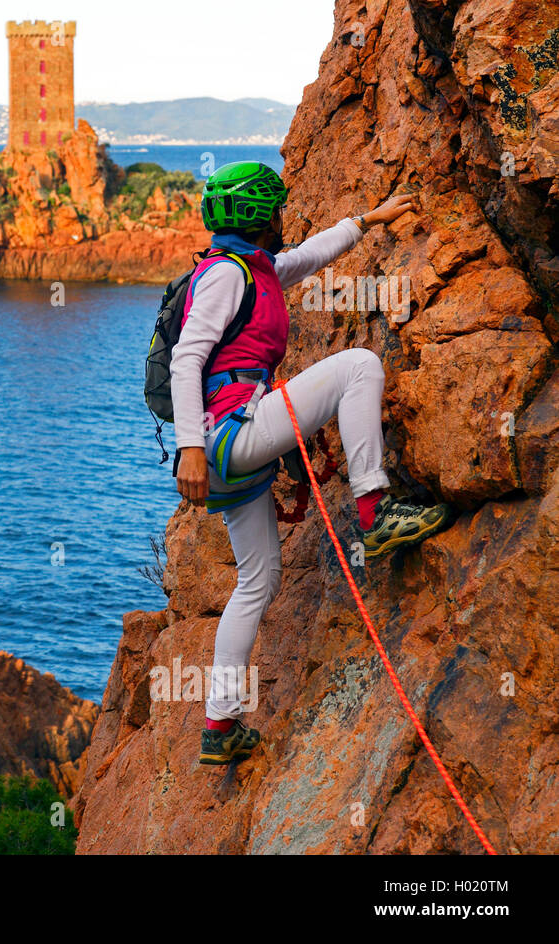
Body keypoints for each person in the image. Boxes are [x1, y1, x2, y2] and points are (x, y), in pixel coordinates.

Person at [171, 161, 451, 766]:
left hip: (227, 449)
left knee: (257, 582)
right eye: (273, 209)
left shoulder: (254, 269)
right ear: (255, 216)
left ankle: (219, 724)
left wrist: (367, 221)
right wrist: (191, 446)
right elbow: (187, 358)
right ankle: (375, 513)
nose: (281, 219)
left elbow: (308, 255)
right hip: (224, 439)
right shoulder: (225, 277)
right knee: (359, 366)